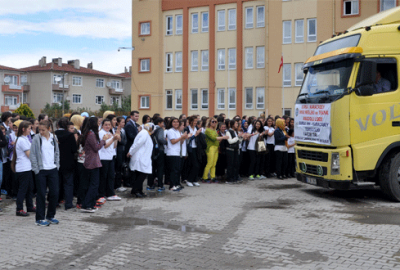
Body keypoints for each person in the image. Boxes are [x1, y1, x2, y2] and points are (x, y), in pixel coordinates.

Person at [30, 120, 60, 226]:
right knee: (41, 194)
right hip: (41, 170)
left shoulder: (54, 137)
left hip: (52, 169)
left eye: (43, 130)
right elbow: (32, 154)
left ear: (49, 129)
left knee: (55, 193)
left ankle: (51, 216)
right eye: (39, 130)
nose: (41, 132)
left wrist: (57, 165)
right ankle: (40, 218)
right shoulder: (36, 138)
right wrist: (36, 169)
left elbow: (57, 152)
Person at [80, 117, 106, 213]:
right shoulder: (91, 134)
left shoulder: (89, 133)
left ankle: (89, 204)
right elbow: (96, 147)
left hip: (92, 161)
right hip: (92, 162)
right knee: (94, 185)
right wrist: (103, 141)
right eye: (98, 122)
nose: (99, 124)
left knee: (92, 184)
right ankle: (87, 205)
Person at [55, 118, 78, 210]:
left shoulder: (53, 134)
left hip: (56, 161)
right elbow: (74, 149)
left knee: (56, 183)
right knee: (68, 183)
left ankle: (55, 202)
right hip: (68, 162)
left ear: (58, 125)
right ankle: (68, 203)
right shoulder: (70, 135)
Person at [13, 121, 34, 217]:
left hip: (27, 167)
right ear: (23, 129)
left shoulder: (25, 139)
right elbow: (29, 154)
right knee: (23, 189)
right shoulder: (21, 140)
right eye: (29, 128)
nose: (30, 130)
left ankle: (29, 206)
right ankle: (19, 209)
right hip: (23, 168)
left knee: (30, 188)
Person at [98, 119, 121, 203]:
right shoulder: (101, 133)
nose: (107, 126)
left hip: (110, 157)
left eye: (109, 125)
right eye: (106, 125)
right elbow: (105, 146)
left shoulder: (110, 133)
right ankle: (101, 194)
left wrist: (116, 138)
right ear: (102, 125)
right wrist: (113, 138)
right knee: (103, 177)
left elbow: (114, 146)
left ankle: (110, 193)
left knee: (111, 176)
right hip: (103, 157)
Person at [128, 124, 153, 197]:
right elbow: (137, 144)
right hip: (140, 158)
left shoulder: (146, 133)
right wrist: (130, 152)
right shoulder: (144, 133)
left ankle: (138, 190)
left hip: (143, 158)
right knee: (142, 175)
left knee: (140, 175)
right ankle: (136, 191)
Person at [202, 118, 228, 183]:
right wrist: (223, 137)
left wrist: (221, 140)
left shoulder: (214, 130)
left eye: (215, 122)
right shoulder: (207, 130)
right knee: (209, 163)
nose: (214, 123)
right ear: (209, 122)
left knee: (214, 164)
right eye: (213, 121)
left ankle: (212, 177)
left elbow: (217, 139)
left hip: (216, 147)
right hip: (210, 148)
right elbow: (213, 138)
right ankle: (204, 177)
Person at [166, 118, 189, 191]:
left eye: (177, 122)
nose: (176, 123)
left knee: (177, 170)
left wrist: (184, 138)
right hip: (172, 153)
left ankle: (176, 184)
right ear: (171, 123)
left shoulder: (178, 131)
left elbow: (181, 143)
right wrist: (181, 137)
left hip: (177, 153)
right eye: (174, 122)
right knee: (173, 170)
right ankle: (171, 186)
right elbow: (173, 141)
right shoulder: (170, 131)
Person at [147, 117, 167, 192]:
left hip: (151, 151)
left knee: (152, 168)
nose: (163, 124)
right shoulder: (160, 129)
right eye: (162, 123)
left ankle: (150, 185)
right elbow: (160, 139)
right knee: (160, 168)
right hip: (159, 150)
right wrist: (166, 142)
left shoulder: (151, 128)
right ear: (159, 123)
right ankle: (160, 185)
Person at [184, 116, 201, 187]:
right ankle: (189, 180)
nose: (196, 122)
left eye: (196, 121)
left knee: (197, 164)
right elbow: (187, 139)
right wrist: (195, 135)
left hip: (196, 148)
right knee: (194, 165)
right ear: (190, 121)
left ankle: (194, 180)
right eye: (194, 121)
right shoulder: (187, 128)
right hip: (190, 148)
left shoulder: (196, 128)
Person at [125, 111, 140, 187]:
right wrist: (139, 136)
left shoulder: (134, 124)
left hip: (133, 147)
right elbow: (131, 136)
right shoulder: (129, 125)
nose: (137, 118)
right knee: (129, 165)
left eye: (138, 116)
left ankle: (131, 181)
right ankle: (128, 181)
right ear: (131, 116)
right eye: (135, 116)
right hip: (130, 147)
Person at [225, 119, 242, 184]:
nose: (237, 125)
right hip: (230, 150)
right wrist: (238, 137)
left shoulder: (236, 132)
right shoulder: (228, 131)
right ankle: (229, 178)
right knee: (230, 165)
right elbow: (230, 141)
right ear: (232, 124)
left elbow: (238, 141)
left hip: (235, 150)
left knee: (236, 164)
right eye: (236, 124)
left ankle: (235, 177)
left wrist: (241, 138)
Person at [114, 116, 127, 192]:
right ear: (118, 123)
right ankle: (117, 185)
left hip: (123, 150)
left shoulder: (123, 130)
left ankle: (119, 184)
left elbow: (124, 140)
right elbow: (119, 141)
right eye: (122, 122)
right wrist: (122, 141)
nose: (123, 123)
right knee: (118, 168)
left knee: (121, 167)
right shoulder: (116, 130)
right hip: (118, 150)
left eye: (124, 122)